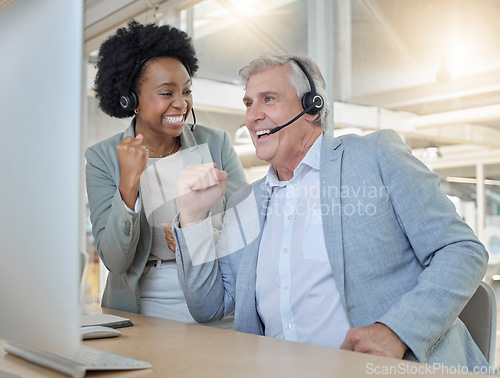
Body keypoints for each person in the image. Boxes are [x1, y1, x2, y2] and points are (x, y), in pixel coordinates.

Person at [172, 54, 490, 369]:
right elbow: (207, 306)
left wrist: (396, 332)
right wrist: (194, 218)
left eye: (268, 99)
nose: (253, 115)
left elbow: (462, 250)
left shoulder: (375, 157)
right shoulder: (247, 202)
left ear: (312, 107)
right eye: (248, 103)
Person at [85, 20, 247, 327]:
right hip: (141, 303)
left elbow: (244, 229)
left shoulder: (216, 143)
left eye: (186, 91)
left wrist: (196, 236)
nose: (181, 103)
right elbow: (115, 261)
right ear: (130, 99)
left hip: (216, 292)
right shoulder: (102, 158)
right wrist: (128, 182)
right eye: (166, 92)